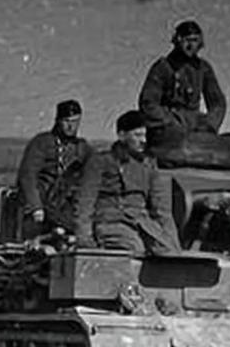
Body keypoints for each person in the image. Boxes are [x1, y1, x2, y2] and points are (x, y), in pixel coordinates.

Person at [73, 110, 181, 256]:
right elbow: (85, 202)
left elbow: (161, 209)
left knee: (169, 253)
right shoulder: (101, 161)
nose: (143, 140)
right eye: (137, 135)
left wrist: (173, 242)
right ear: (122, 135)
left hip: (142, 223)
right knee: (134, 249)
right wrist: (84, 239)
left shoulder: (148, 166)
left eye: (144, 135)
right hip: (111, 222)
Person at [138, 20, 227, 165]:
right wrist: (170, 121)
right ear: (178, 40)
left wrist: (209, 124)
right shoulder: (162, 67)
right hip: (167, 129)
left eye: (195, 40)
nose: (191, 46)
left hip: (195, 130)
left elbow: (218, 103)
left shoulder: (203, 69)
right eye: (187, 40)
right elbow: (148, 103)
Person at [15, 99, 95, 238]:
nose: (71, 126)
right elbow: (28, 175)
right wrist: (36, 206)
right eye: (67, 121)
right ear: (58, 121)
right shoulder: (42, 143)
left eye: (75, 121)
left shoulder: (83, 148)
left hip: (66, 204)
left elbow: (94, 174)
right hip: (42, 201)